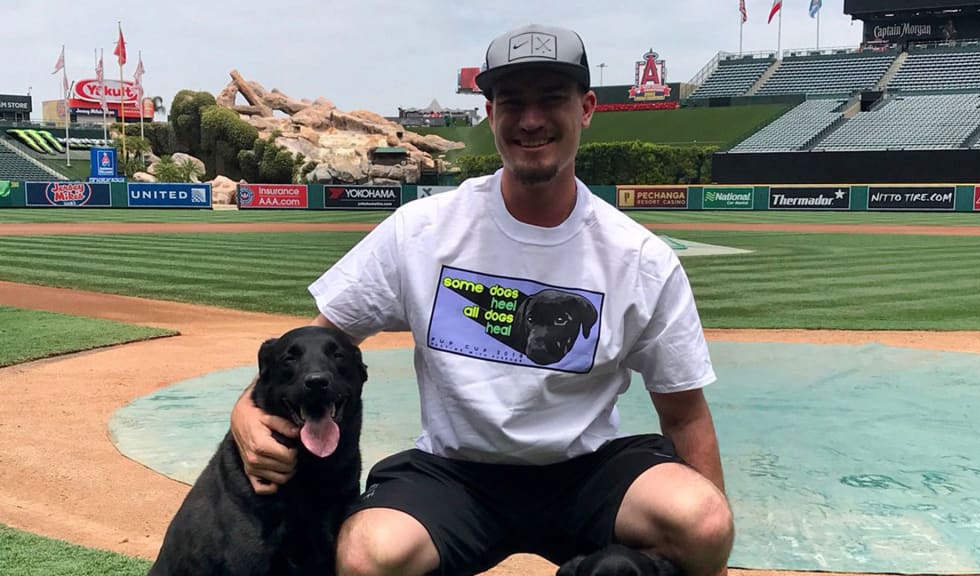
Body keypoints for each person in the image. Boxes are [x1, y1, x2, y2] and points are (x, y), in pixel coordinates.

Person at [230, 23, 734, 576]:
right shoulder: (422, 230)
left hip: (588, 471)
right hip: (455, 473)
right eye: (512, 102)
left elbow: (684, 414)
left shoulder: (639, 258)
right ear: (490, 114)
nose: (531, 118)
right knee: (368, 553)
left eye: (552, 99)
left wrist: (708, 552)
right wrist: (245, 409)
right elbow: (319, 341)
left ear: (587, 108)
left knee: (704, 521)